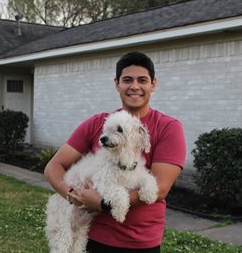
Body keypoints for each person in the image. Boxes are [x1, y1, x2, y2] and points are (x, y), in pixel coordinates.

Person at [44, 51, 186, 252]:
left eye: (142, 80)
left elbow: (160, 189)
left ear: (153, 84)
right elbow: (53, 167)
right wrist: (72, 195)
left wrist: (103, 203)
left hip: (140, 241)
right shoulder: (97, 124)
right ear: (117, 83)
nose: (134, 86)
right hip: (93, 235)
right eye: (127, 80)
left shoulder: (168, 127)